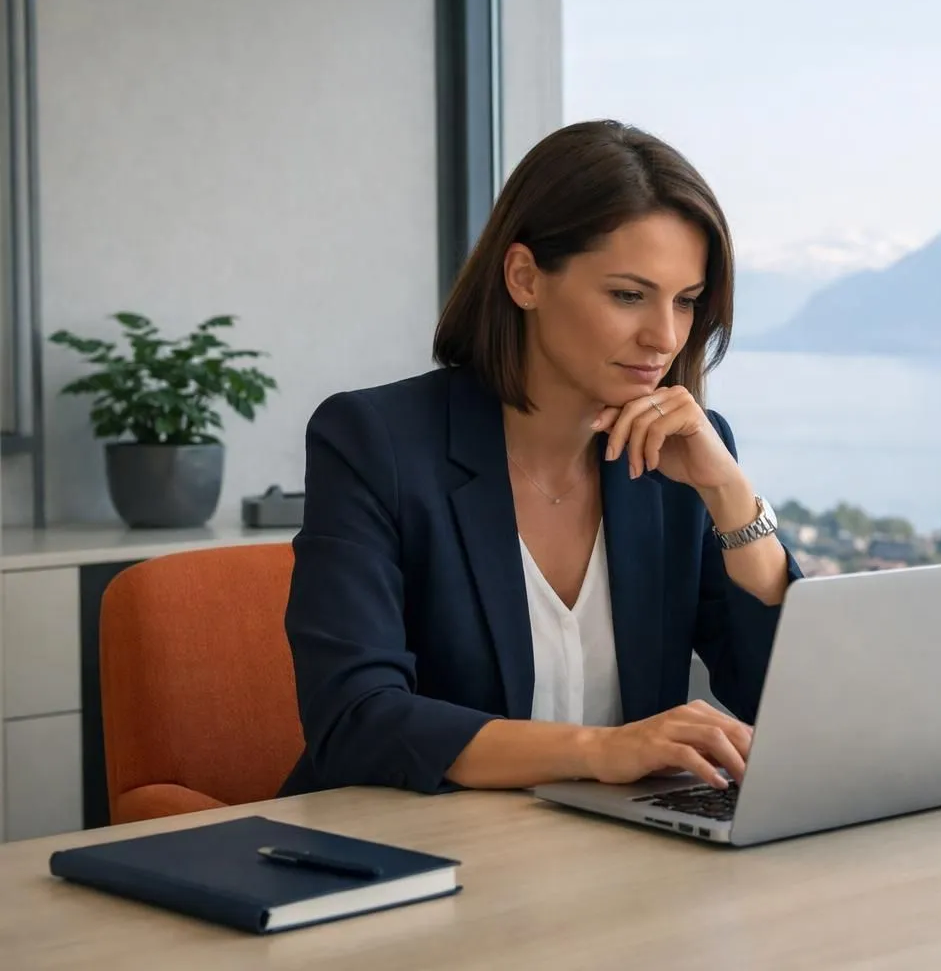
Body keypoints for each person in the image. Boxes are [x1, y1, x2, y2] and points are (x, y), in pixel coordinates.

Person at [279, 120, 800, 798]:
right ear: (525, 278)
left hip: (616, 862)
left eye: (687, 302)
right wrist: (600, 750)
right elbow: (356, 721)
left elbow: (786, 707)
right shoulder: (375, 441)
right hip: (412, 860)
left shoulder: (685, 461)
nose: (665, 337)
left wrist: (733, 499)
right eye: (628, 295)